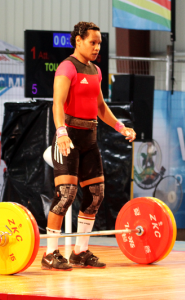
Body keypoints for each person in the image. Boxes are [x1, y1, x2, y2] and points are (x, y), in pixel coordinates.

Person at [41, 21, 136, 271]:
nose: (96, 48)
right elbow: (58, 104)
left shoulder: (95, 70)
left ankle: (79, 252)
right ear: (78, 41)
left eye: (99, 44)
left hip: (89, 138)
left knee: (95, 196)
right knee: (65, 196)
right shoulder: (67, 67)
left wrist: (121, 127)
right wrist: (61, 133)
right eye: (92, 43)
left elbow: (101, 107)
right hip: (69, 137)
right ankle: (50, 253)